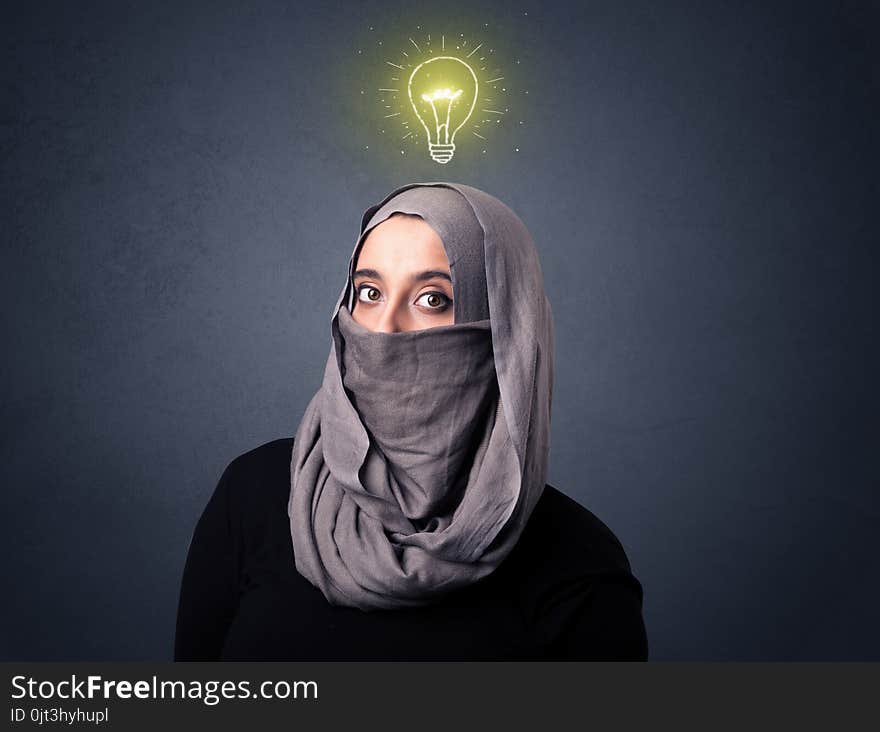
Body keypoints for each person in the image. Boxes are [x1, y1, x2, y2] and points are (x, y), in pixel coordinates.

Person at [174, 182, 648, 660]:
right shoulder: (256, 494)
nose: (383, 329)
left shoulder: (580, 568)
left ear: (506, 328)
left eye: (433, 299)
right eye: (370, 291)